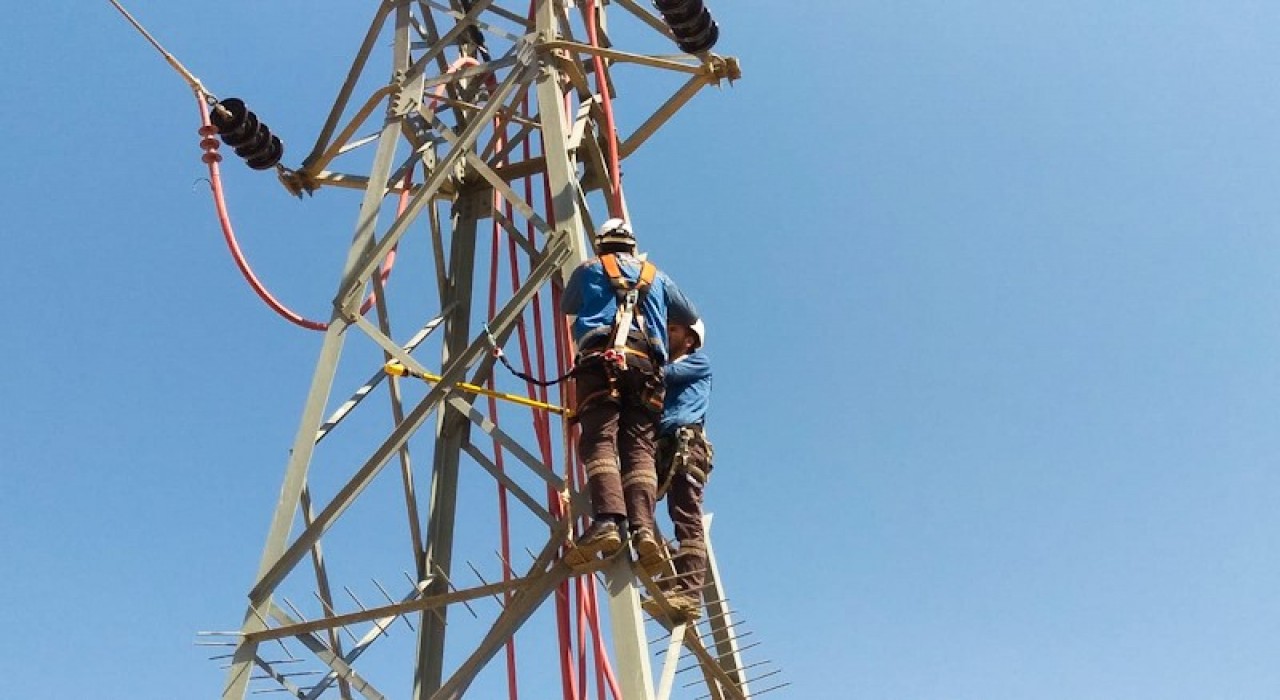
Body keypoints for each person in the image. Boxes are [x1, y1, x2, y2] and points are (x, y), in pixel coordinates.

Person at [560, 218, 698, 570]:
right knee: (639, 450)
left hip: (601, 362)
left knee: (600, 439)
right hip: (647, 369)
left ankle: (608, 520)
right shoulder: (657, 276)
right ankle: (643, 529)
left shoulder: (589, 268)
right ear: (632, 246)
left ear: (601, 244)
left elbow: (568, 305)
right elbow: (688, 313)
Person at [649, 318, 713, 620]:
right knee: (635, 502)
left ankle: (688, 593)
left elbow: (664, 374)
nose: (666, 333)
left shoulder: (697, 362)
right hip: (662, 445)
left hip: (687, 443)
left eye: (673, 330)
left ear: (689, 340)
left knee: (686, 515)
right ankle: (669, 572)